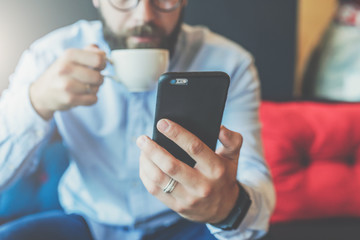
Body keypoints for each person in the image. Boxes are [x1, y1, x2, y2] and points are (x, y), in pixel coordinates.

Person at [0, 0, 275, 239]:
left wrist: (228, 207)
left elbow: (256, 180)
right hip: (84, 221)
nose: (144, 15)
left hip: (186, 225)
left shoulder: (230, 62)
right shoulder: (49, 56)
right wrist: (35, 101)